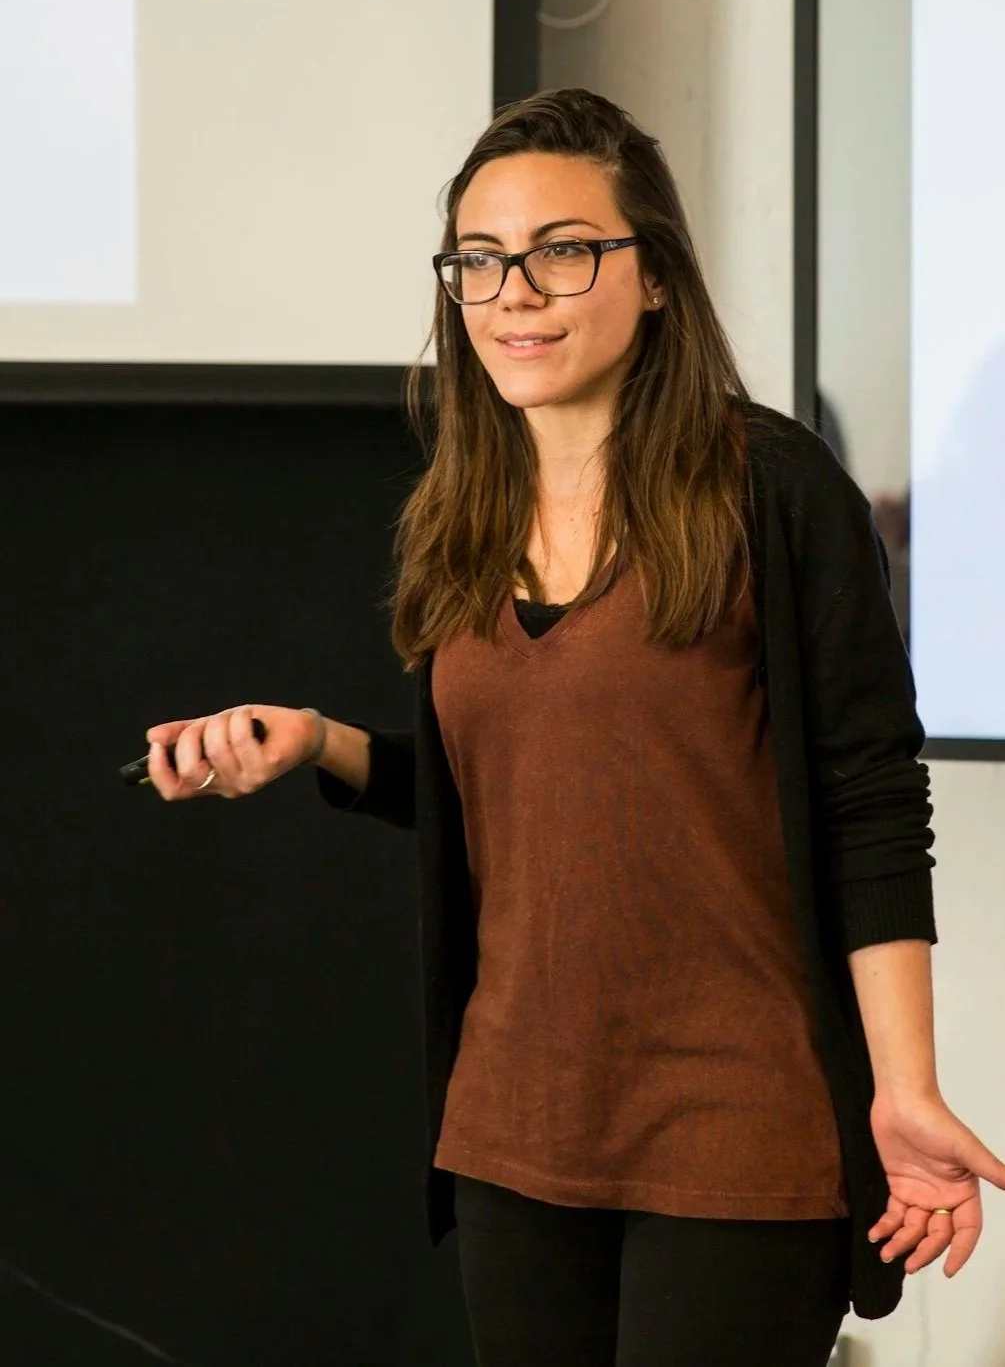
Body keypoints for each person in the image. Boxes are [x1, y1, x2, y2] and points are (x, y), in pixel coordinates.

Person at [145, 88, 1005, 1367]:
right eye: (478, 262)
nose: (515, 292)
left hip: (734, 1118)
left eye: (564, 250)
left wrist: (903, 1085)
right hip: (516, 1124)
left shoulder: (769, 489)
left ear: (652, 274)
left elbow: (870, 795)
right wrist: (325, 743)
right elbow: (531, 794)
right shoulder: (461, 513)